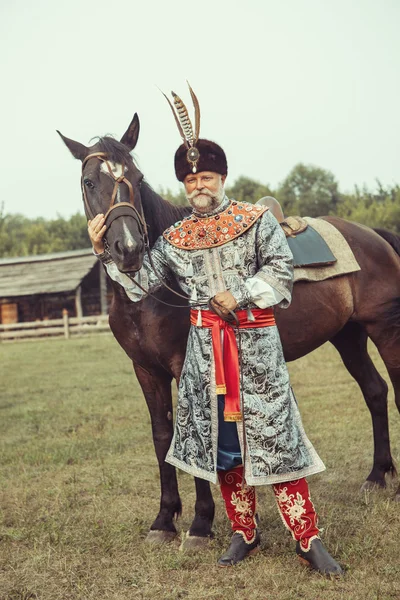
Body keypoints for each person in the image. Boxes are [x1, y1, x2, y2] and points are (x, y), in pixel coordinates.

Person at [88, 92, 343, 576]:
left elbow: (282, 270)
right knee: (225, 447)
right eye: (190, 179)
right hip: (206, 355)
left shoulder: (254, 221)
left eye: (206, 177)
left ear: (221, 178)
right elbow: (142, 282)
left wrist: (242, 292)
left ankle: (307, 539)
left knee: (277, 437)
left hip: (257, 349)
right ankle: (244, 532)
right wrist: (106, 252)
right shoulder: (176, 239)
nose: (198, 185)